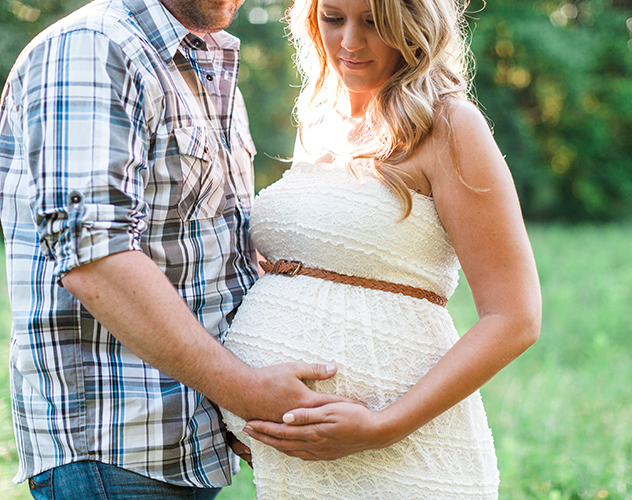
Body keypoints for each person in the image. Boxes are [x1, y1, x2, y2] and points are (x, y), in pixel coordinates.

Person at [0, 0, 353, 497]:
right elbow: (96, 261)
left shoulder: (207, 60)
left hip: (193, 440)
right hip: (117, 445)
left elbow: (212, 247)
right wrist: (248, 392)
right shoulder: (92, 48)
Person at [220, 0, 542, 497]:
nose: (349, 41)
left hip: (405, 457)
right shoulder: (318, 116)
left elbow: (514, 317)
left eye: (373, 22)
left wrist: (384, 425)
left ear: (413, 23)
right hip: (302, 467)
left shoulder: (450, 124)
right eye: (333, 18)